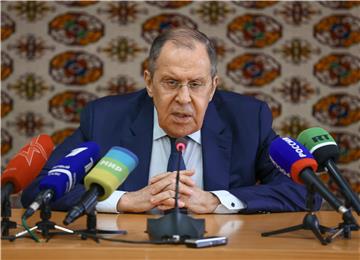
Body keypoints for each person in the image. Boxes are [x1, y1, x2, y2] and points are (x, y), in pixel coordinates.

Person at [21, 27, 321, 214]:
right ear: (149, 83)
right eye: (171, 83)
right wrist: (124, 201)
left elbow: (306, 190)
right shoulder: (105, 118)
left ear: (213, 86)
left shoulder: (247, 118)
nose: (184, 98)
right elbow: (40, 190)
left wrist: (217, 201)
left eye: (196, 84)